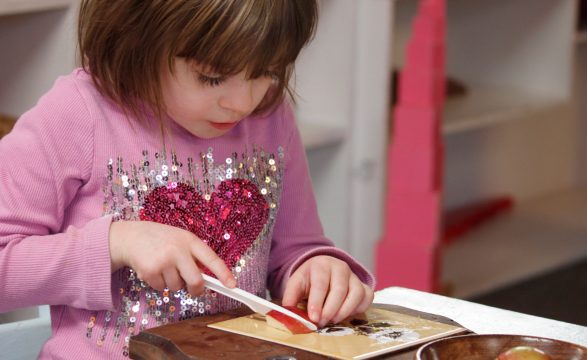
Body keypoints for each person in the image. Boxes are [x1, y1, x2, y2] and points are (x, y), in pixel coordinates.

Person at [0, 1, 375, 358]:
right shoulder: (77, 113)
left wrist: (317, 269)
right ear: (140, 38)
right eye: (212, 77)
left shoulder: (269, 114)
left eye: (267, 72)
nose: (242, 102)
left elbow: (295, 249)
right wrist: (116, 242)